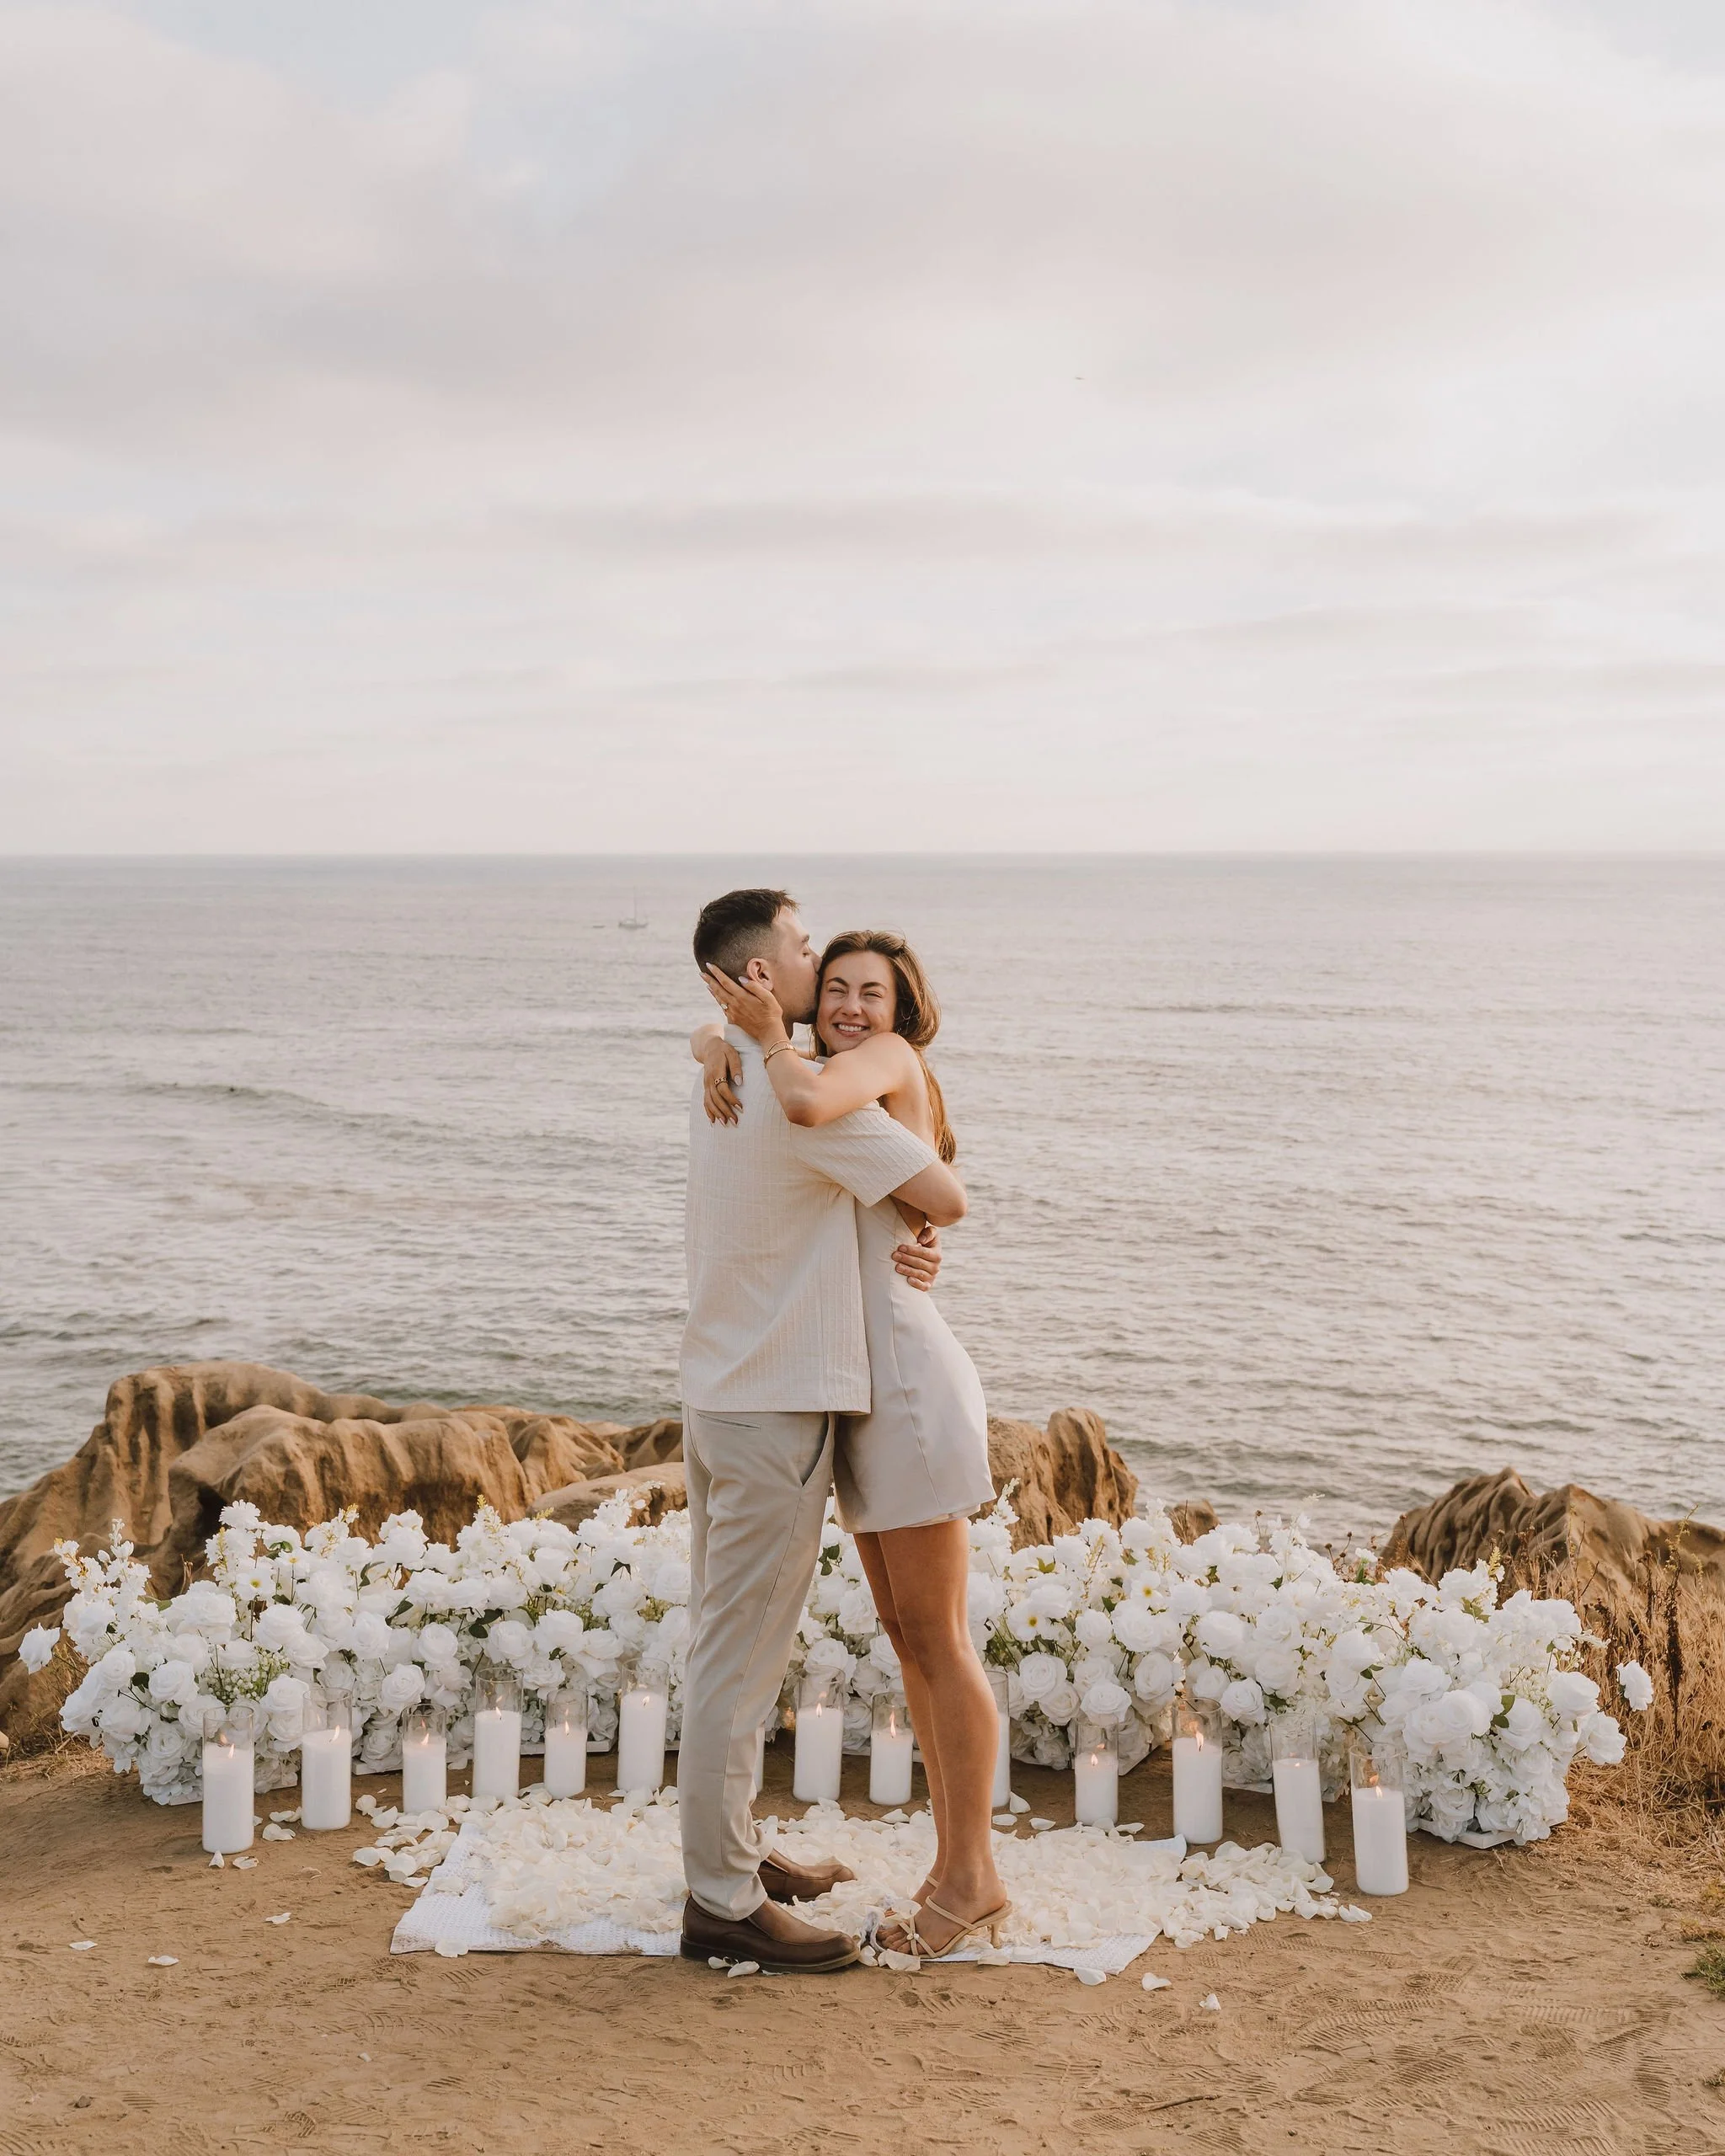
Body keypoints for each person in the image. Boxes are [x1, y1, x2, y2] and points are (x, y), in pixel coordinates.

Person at [697, 928, 1010, 1961]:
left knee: (940, 1639)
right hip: (858, 1383)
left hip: (906, 1382)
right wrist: (718, 1046)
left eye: (870, 991)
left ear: (901, 1005)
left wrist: (755, 1044)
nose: (848, 1005)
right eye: (832, 987)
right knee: (908, 1637)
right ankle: (949, 1866)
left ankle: (971, 1879)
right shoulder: (828, 1066)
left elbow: (813, 1110)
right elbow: (740, 1056)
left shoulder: (877, 1065)